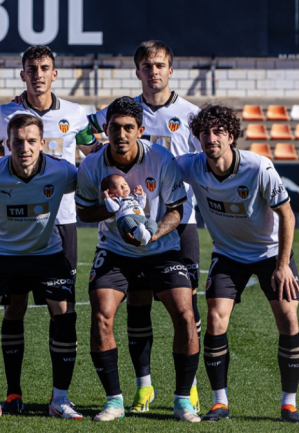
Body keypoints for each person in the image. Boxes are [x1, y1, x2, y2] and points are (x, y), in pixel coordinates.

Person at [0, 45, 94, 413]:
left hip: (60, 221)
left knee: (63, 310)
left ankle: (59, 398)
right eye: (31, 68)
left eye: (45, 67)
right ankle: (10, 393)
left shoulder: (74, 114)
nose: (38, 73)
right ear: (22, 73)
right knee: (13, 306)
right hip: (10, 225)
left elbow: (95, 156)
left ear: (55, 73)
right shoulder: (4, 114)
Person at [83, 40, 202, 413]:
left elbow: (185, 194)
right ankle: (133, 391)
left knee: (187, 310)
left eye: (160, 65)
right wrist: (113, 209)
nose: (121, 134)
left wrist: (152, 231)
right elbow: (83, 142)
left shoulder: (188, 118)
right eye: (147, 66)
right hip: (117, 243)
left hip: (173, 229)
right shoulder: (99, 149)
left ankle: (187, 393)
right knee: (124, 307)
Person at [175, 104, 299, 423]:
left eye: (218, 132)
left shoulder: (258, 167)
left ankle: (289, 403)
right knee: (216, 320)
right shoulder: (191, 166)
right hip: (228, 255)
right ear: (198, 139)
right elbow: (156, 164)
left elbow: (287, 214)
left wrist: (283, 265)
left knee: (289, 320)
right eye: (205, 133)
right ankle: (220, 403)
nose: (211, 138)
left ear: (231, 137)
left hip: (271, 254)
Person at [101, 174, 157, 246]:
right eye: (119, 187)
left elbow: (142, 206)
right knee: (127, 220)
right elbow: (113, 209)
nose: (124, 187)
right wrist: (107, 198)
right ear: (111, 193)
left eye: (125, 184)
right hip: (125, 219)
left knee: (151, 222)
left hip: (141, 219)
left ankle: (148, 234)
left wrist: (141, 195)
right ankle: (137, 233)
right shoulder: (117, 200)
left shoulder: (132, 197)